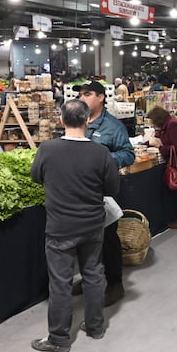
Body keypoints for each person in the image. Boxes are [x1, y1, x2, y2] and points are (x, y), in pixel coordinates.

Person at [29, 99, 120, 352]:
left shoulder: (47, 149)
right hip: (93, 226)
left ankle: (58, 338)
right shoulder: (100, 152)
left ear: (61, 120)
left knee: (60, 281)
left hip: (60, 227)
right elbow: (112, 188)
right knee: (93, 274)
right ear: (87, 120)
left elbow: (35, 176)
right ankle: (95, 326)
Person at [73, 81, 135, 306]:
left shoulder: (112, 126)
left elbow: (128, 154)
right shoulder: (77, 121)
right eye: (80, 94)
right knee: (84, 238)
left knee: (108, 238)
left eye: (87, 94)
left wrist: (103, 160)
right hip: (78, 190)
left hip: (104, 191)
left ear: (100, 97)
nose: (82, 98)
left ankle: (115, 284)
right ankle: (90, 277)